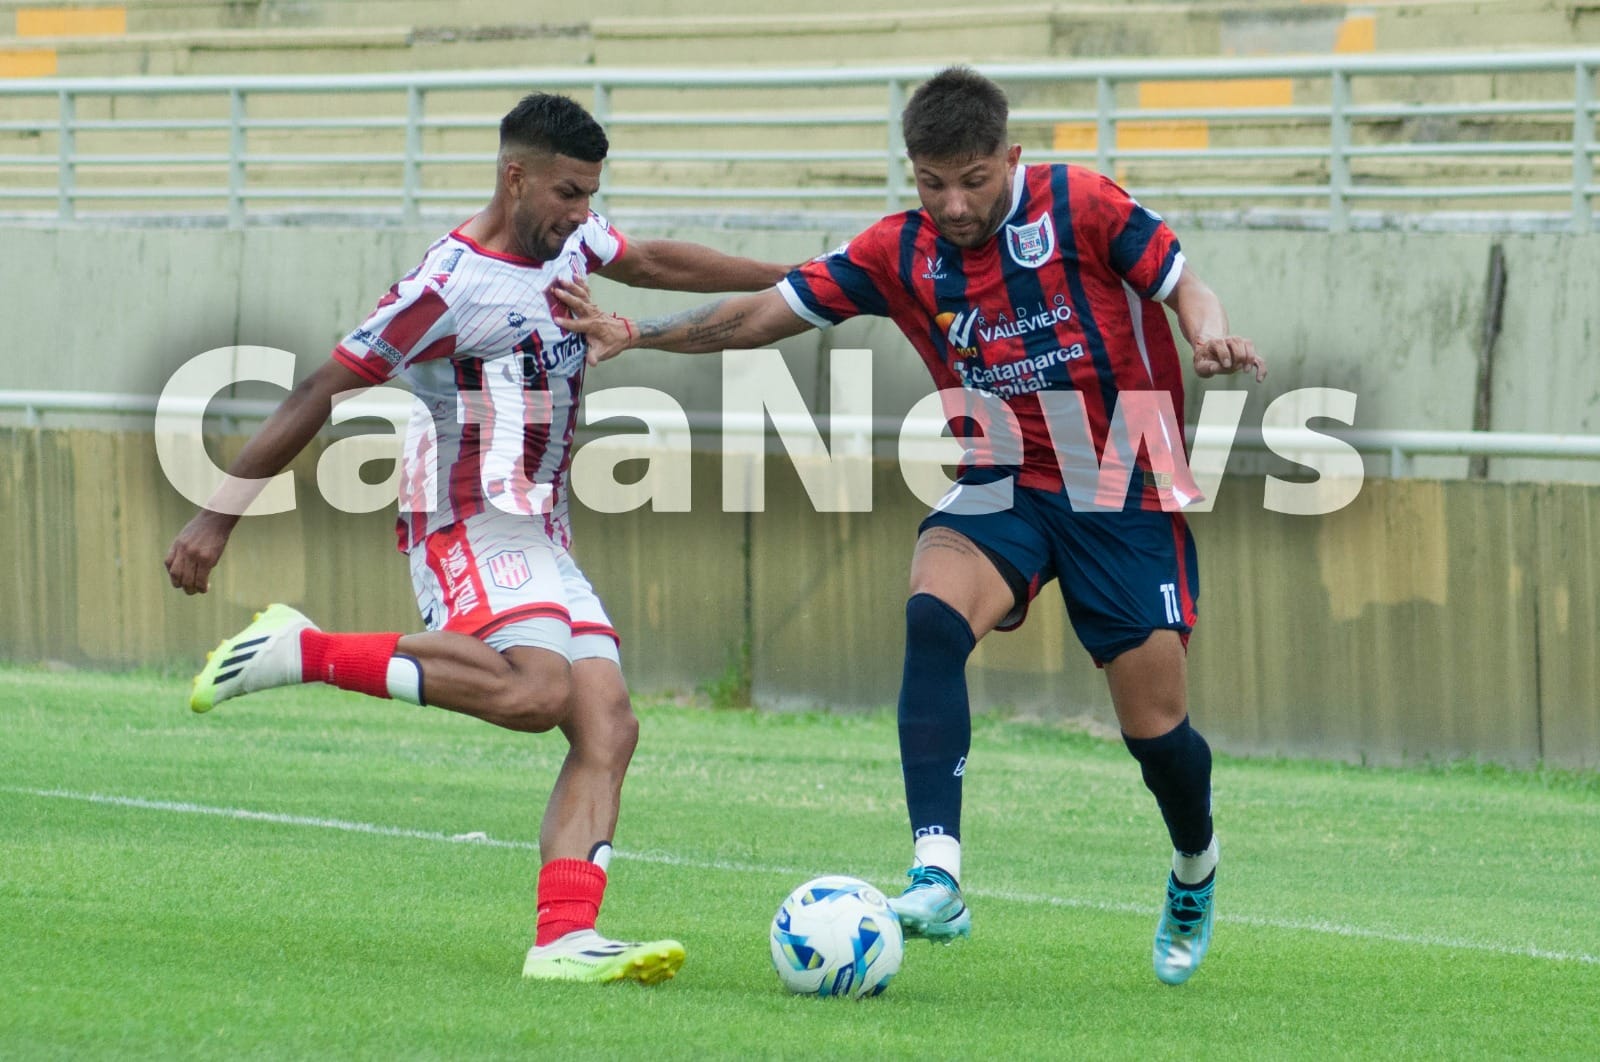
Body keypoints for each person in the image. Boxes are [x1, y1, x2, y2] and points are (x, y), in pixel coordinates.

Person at [551, 66, 1266, 986]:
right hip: (1001, 469)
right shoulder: (899, 250)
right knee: (931, 615)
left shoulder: (1079, 201)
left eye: (972, 179)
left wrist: (1209, 333)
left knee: (1156, 729)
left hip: (1121, 479)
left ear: (1009, 158)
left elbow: (1185, 286)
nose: (954, 203)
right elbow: (762, 314)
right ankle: (938, 874)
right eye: (932, 182)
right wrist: (638, 334)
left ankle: (1194, 865)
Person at [163, 92, 790, 985]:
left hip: (540, 524)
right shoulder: (446, 287)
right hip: (463, 514)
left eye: (590, 197)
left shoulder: (568, 238)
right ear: (515, 177)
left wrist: (804, 274)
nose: (583, 216)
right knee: (539, 693)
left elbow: (651, 259)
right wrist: (216, 513)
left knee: (607, 723)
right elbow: (316, 392)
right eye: (569, 195)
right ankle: (301, 650)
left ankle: (564, 940)